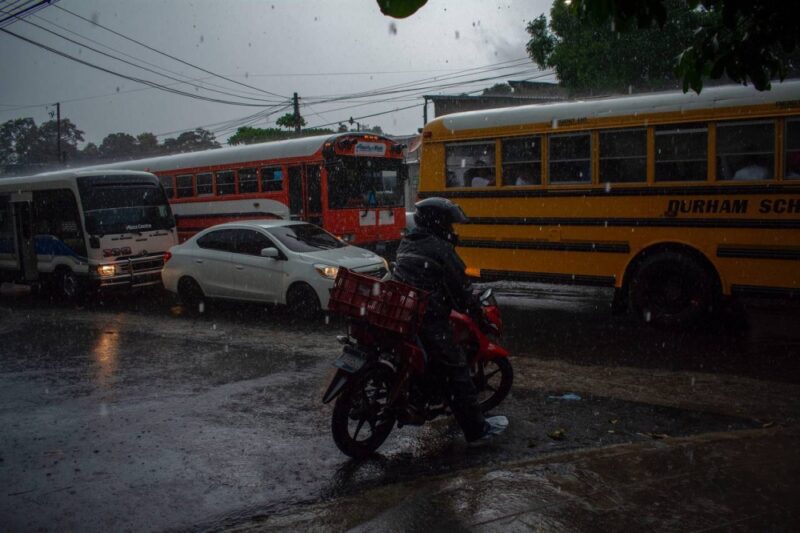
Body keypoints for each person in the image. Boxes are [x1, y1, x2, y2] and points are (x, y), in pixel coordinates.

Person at [392, 197, 508, 445]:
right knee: (456, 371)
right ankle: (476, 431)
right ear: (440, 224)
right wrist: (479, 316)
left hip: (401, 312)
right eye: (450, 225)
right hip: (427, 318)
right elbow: (462, 292)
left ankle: (418, 396)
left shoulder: (408, 242)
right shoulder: (442, 250)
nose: (453, 231)